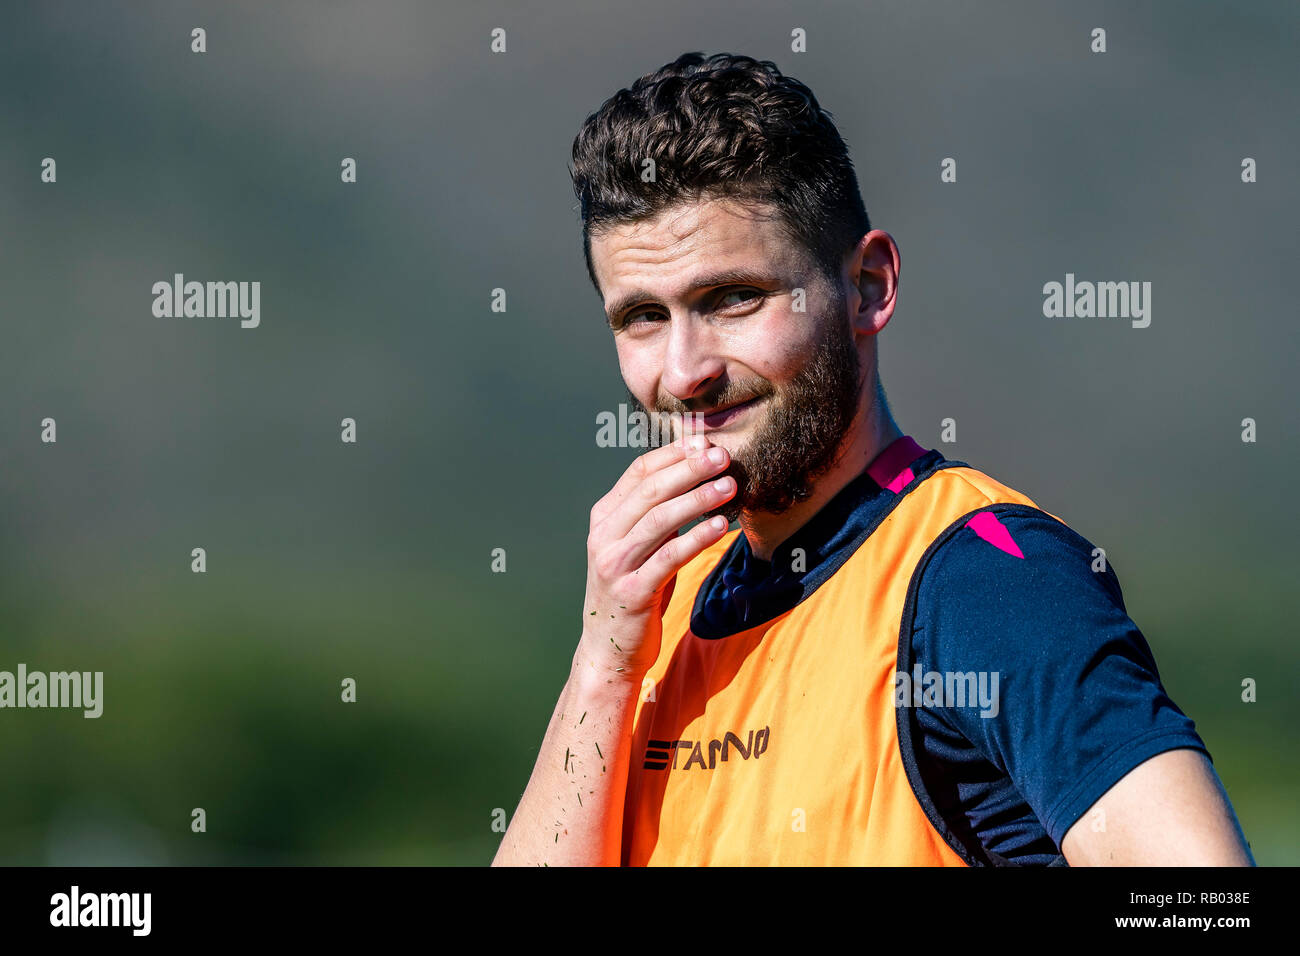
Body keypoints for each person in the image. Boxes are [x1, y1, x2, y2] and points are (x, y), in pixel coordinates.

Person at [492, 52, 1253, 866]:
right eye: (643, 316)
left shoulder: (989, 582)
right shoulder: (657, 612)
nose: (684, 373)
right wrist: (603, 663)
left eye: (732, 299)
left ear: (868, 286)